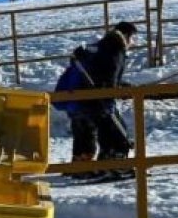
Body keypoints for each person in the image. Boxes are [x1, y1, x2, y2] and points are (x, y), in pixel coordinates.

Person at [54, 21, 137, 177]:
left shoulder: (97, 48)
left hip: (76, 100)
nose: (133, 43)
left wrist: (121, 86)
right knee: (116, 131)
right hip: (96, 101)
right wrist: (114, 92)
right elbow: (109, 76)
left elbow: (99, 75)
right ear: (127, 35)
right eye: (132, 38)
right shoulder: (115, 47)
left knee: (84, 134)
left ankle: (80, 167)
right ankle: (114, 165)